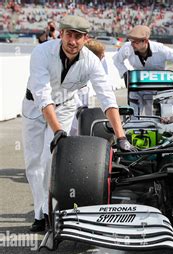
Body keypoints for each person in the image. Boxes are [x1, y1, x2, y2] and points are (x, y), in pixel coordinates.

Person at [22, 15, 134, 232]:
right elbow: (43, 95)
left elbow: (107, 97)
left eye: (78, 37)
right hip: (34, 108)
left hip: (63, 107)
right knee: (34, 164)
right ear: (61, 34)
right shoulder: (41, 52)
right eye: (69, 35)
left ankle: (48, 212)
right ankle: (39, 212)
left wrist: (121, 137)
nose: (72, 42)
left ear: (85, 38)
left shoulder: (91, 61)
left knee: (49, 159)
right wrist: (57, 132)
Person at [113, 25, 173, 116]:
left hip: (159, 87)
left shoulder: (160, 49)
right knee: (134, 116)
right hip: (138, 87)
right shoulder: (127, 47)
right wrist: (125, 73)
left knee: (162, 116)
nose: (132, 44)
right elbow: (117, 60)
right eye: (131, 41)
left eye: (135, 42)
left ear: (146, 41)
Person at [70, 39, 108, 136]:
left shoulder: (91, 65)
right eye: (100, 57)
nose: (102, 59)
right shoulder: (75, 67)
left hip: (82, 101)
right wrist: (80, 108)